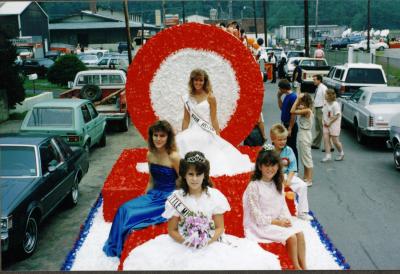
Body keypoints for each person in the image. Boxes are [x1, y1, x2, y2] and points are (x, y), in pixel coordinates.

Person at [122, 151, 281, 270]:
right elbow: (172, 230)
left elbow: (220, 227)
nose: (194, 178)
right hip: (183, 244)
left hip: (210, 242)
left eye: (199, 174)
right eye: (190, 174)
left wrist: (206, 240)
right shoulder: (177, 197)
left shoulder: (214, 196)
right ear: (184, 175)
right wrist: (188, 241)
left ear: (205, 175)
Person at [103, 120, 180, 258]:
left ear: (168, 137)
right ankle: (116, 246)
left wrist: (179, 204)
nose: (158, 138)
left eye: (162, 135)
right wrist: (145, 198)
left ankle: (123, 248)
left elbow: (182, 181)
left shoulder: (174, 157)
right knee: (124, 209)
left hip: (168, 198)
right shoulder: (150, 154)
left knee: (132, 216)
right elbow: (151, 180)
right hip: (154, 195)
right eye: (155, 135)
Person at [176, 69, 253, 176]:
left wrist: (218, 135)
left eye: (201, 80)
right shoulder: (187, 98)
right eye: (196, 80)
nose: (198, 83)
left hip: (206, 131)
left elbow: (214, 118)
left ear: (205, 81)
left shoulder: (210, 97)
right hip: (192, 131)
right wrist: (182, 134)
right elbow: (186, 119)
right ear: (192, 81)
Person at [243, 145, 307, 270]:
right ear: (260, 167)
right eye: (266, 165)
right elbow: (256, 216)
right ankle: (296, 267)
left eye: (273, 165)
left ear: (278, 166)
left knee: (300, 234)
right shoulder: (254, 186)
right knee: (291, 237)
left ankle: (304, 266)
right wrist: (278, 222)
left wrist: (285, 219)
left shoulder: (277, 183)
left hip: (277, 220)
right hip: (261, 225)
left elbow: (282, 205)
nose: (270, 169)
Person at [269, 124, 312, 217]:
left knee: (303, 186)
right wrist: (279, 177)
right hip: (272, 176)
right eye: (279, 139)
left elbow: (293, 167)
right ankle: (274, 213)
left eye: (284, 139)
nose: (282, 142)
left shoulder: (289, 150)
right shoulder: (268, 150)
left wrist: (288, 179)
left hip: (287, 175)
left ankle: (302, 212)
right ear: (273, 139)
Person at [290, 94, 314, 185]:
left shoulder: (307, 110)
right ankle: (305, 176)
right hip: (304, 133)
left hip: (305, 134)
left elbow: (292, 111)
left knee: (307, 157)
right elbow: (295, 107)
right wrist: (299, 100)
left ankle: (309, 179)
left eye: (302, 102)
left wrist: (297, 99)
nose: (300, 104)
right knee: (304, 157)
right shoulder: (306, 109)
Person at [277, 79, 298, 164]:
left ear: (283, 88)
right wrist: (278, 98)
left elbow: (293, 114)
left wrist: (290, 128)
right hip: (285, 125)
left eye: (280, 88)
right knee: (285, 147)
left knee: (292, 147)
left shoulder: (293, 97)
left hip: (290, 125)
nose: (279, 90)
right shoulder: (286, 96)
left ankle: (295, 168)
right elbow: (282, 108)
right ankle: (288, 166)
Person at [321, 89, 344, 162]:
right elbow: (324, 113)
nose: (324, 95)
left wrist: (330, 122)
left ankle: (341, 153)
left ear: (330, 95)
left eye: (326, 94)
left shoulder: (335, 104)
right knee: (326, 139)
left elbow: (337, 115)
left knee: (335, 141)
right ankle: (328, 156)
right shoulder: (325, 102)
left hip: (334, 124)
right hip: (325, 124)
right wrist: (325, 121)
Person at [311, 74, 332, 152]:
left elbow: (327, 99)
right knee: (318, 128)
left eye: (315, 79)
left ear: (319, 80)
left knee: (323, 128)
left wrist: (325, 110)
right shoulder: (318, 88)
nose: (313, 81)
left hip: (321, 109)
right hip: (317, 109)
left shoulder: (323, 88)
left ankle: (329, 146)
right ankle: (316, 144)